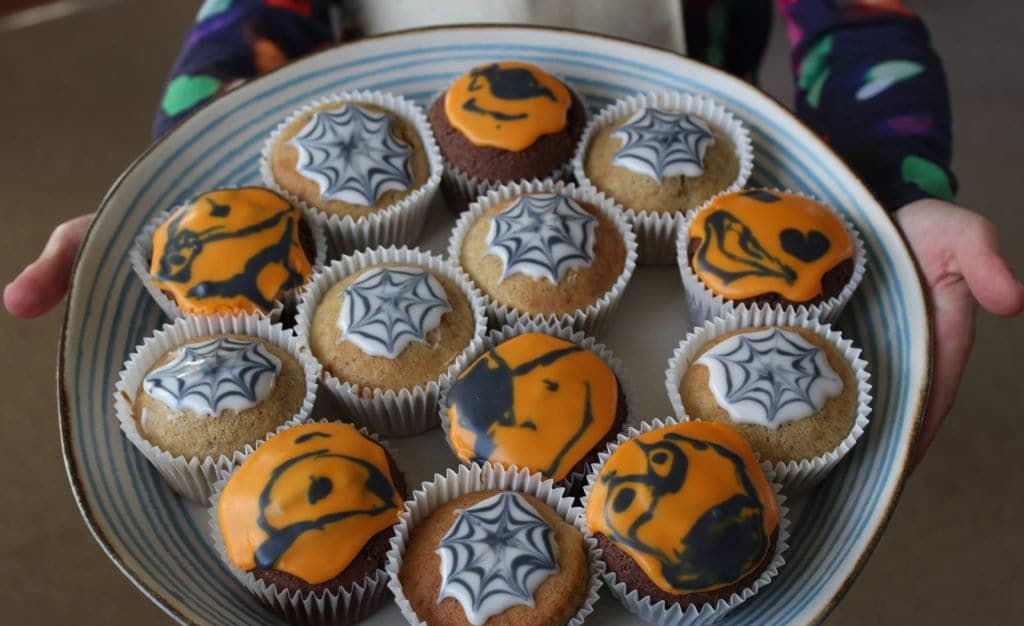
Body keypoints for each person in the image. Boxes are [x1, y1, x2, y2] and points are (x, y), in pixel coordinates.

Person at [4, 0, 1022, 466]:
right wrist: (184, 183)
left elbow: (862, 23)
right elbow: (251, 19)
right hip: (383, 159)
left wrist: (892, 188)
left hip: (667, 147)